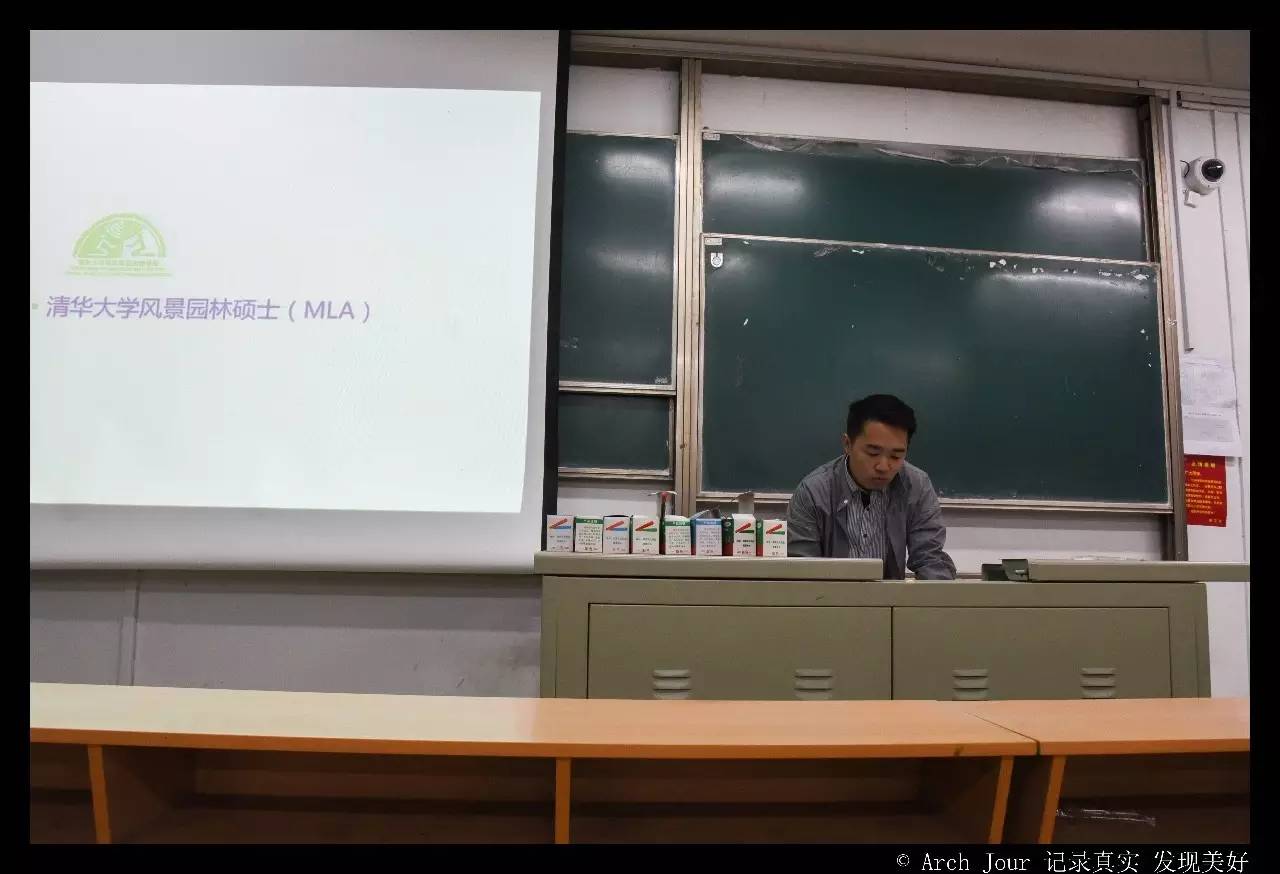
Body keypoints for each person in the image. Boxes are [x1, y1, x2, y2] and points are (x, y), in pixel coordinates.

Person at [787, 394, 956, 580]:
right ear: (847, 444)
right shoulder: (813, 492)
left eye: (896, 456)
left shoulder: (917, 486)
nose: (883, 466)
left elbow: (930, 559)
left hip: (890, 598)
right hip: (827, 597)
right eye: (873, 453)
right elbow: (803, 571)